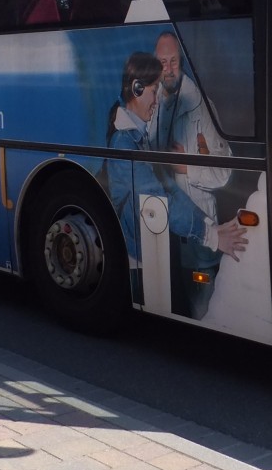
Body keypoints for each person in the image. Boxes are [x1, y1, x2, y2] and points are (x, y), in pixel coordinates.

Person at [105, 51, 247, 307]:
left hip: (149, 251)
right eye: (153, 91)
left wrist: (209, 224)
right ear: (137, 89)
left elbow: (168, 189)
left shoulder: (138, 136)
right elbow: (160, 202)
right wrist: (212, 237)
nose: (156, 102)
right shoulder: (124, 143)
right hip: (138, 260)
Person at [150, 31, 234, 319]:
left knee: (203, 313)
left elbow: (223, 173)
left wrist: (185, 166)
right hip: (164, 234)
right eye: (163, 62)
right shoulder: (153, 104)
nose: (169, 68)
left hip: (198, 238)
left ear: (181, 62)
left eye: (173, 61)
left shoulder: (201, 105)